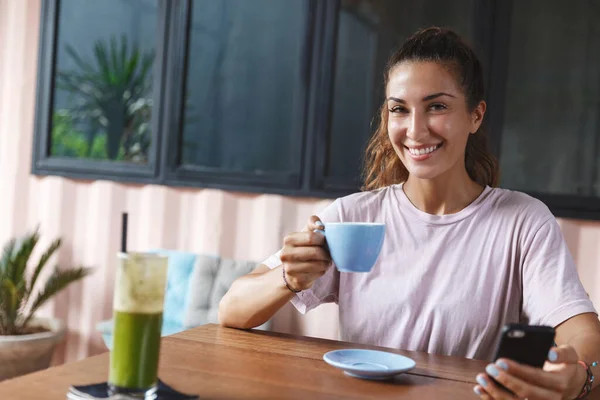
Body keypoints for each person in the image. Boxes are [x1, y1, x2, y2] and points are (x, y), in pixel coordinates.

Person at [218, 27, 600, 399]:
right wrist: (289, 277)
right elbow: (231, 309)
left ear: (475, 116)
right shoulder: (352, 216)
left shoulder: (524, 222)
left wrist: (579, 375)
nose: (415, 130)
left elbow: (582, 332)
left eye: (437, 106)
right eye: (399, 109)